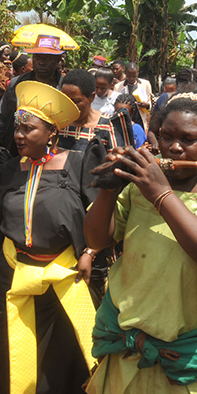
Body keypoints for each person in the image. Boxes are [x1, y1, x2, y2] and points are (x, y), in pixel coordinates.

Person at [84, 92, 197, 394]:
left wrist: (161, 195)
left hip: (192, 354)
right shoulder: (141, 184)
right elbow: (97, 239)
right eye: (167, 137)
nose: (175, 148)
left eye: (189, 139)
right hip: (129, 347)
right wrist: (109, 188)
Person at [0, 81, 98, 394]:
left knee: (58, 355)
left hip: (61, 275)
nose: (19, 135)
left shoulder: (77, 164)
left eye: (28, 129)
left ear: (51, 132)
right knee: (12, 350)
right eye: (17, 128)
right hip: (13, 273)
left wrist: (89, 252)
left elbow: (98, 217)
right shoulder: (10, 168)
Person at [58, 69, 135, 305]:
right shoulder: (55, 125)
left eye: (76, 101)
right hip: (60, 218)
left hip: (95, 216)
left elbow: (121, 180)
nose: (69, 106)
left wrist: (93, 250)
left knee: (92, 295)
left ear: (92, 97)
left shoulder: (109, 127)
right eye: (64, 100)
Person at [0, 35, 65, 157]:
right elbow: (1, 119)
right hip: (16, 153)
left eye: (48, 58)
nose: (41, 62)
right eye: (38, 57)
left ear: (58, 60)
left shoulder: (65, 88)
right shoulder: (17, 84)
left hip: (54, 156)